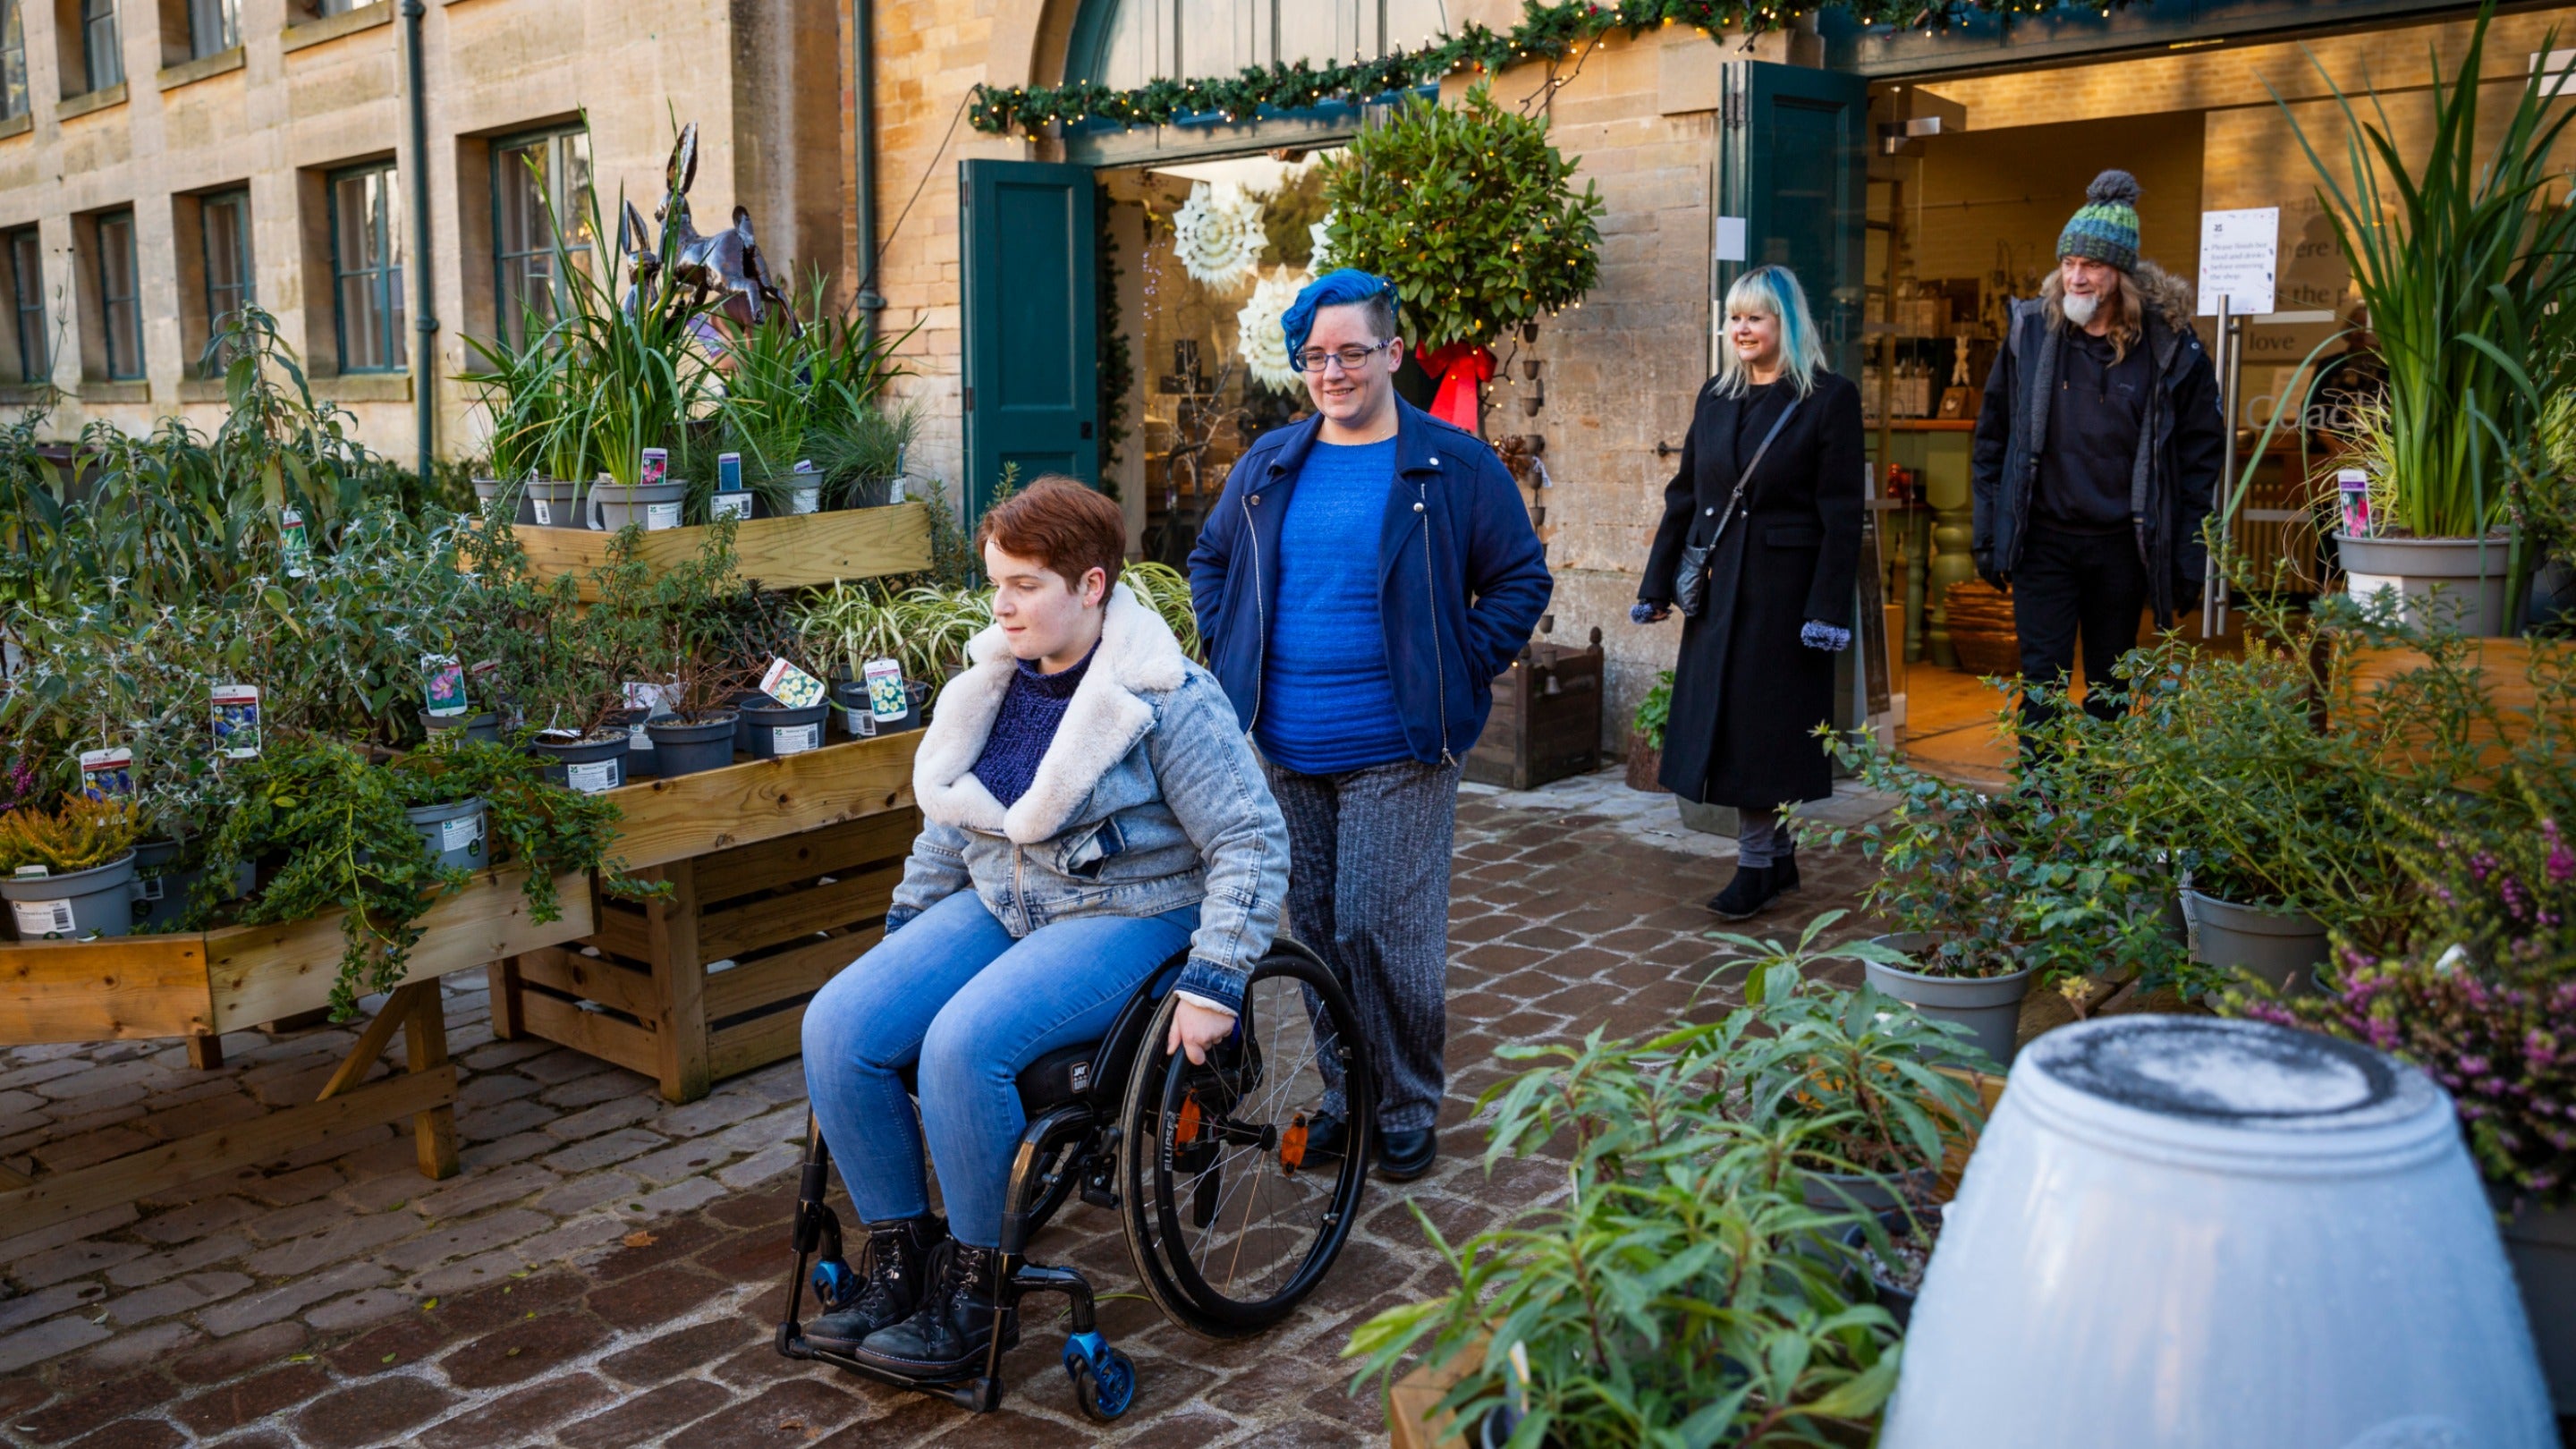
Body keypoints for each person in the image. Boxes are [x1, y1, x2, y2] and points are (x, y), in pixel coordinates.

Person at [798, 478, 1289, 1378]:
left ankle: (978, 1292)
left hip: (1133, 911)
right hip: (1005, 901)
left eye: (1025, 584)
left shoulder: (1166, 697)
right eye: (997, 583)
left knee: (961, 1046)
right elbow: (950, 824)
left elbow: (1251, 839)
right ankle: (905, 1263)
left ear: (1092, 584)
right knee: (838, 1025)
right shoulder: (990, 683)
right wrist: (906, 931)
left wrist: (1217, 979)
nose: (1003, 604)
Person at [1189, 268, 1552, 1182]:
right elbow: (1211, 558)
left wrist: (1459, 664)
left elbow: (1520, 581)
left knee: (1380, 931)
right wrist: (1229, 638)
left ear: (1392, 353)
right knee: (1314, 933)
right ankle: (1348, 1092)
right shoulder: (1271, 463)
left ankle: (1404, 1104)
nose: (1333, 372)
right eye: (1315, 356)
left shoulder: (1453, 464)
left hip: (1399, 745)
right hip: (1285, 746)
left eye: (1351, 352)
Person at [1635, 264, 1865, 920]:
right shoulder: (1716, 394)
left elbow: (1842, 515)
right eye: (1734, 316)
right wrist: (1658, 586)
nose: (1740, 328)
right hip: (1718, 591)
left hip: (1785, 599)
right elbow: (1686, 496)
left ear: (1785, 324)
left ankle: (1757, 866)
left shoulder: (1828, 398)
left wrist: (1825, 611)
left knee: (1760, 735)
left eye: (1755, 317)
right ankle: (1780, 858)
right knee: (1732, 726)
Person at [1971, 169, 2224, 744]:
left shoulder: (2170, 349)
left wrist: (2188, 557)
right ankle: (2043, 812)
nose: (2075, 277)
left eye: (2092, 265)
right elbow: (1992, 439)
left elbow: (2200, 460)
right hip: (2044, 541)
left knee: (2111, 685)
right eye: (2068, 263)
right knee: (2042, 684)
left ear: (2122, 274)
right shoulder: (2030, 333)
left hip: (2122, 548)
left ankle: (2094, 805)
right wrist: (1989, 533)